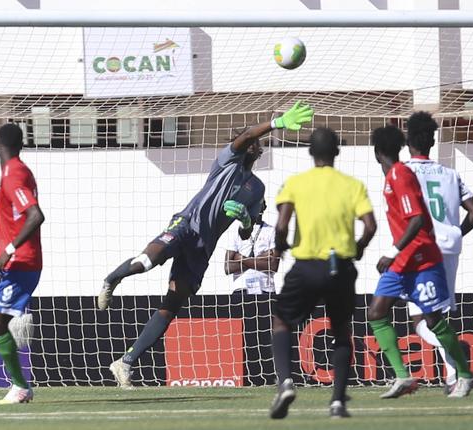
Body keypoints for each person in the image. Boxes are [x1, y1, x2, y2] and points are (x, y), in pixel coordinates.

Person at [98, 102, 314, 388]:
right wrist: (277, 123)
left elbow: (247, 233)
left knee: (172, 303)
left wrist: (246, 222)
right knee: (147, 262)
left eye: (256, 143)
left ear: (260, 151)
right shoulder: (226, 160)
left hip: (203, 247)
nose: (252, 144)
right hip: (186, 225)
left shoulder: (257, 188)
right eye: (249, 140)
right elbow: (247, 135)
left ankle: (125, 363)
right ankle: (112, 279)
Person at [269, 128, 377, 419]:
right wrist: (358, 248)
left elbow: (281, 225)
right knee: (341, 330)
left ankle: (286, 383)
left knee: (282, 320)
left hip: (307, 266)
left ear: (310, 153)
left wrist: (281, 247)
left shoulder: (296, 183)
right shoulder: (352, 185)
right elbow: (370, 225)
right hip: (340, 265)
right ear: (337, 152)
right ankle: (338, 402)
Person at [368, 125, 473, 399]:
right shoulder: (400, 174)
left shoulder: (400, 175)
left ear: (377, 153)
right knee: (377, 312)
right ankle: (403, 377)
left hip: (421, 258)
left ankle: (462, 373)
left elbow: (416, 218)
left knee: (433, 319)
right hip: (406, 260)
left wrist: (392, 252)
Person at [404, 111, 473, 392]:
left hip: (421, 249)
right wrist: (455, 233)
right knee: (437, 315)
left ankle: (454, 349)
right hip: (449, 247)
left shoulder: (404, 173)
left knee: (420, 320)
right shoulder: (451, 174)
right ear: (433, 140)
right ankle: (454, 377)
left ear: (407, 139)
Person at [0, 123, 46, 404]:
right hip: (4, 259)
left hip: (20, 263)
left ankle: (20, 386)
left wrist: (9, 248)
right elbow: (17, 217)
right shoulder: (14, 172)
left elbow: (35, 215)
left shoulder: (13, 174)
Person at [224, 200, 280, 294]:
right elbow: (228, 268)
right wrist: (262, 257)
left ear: (264, 207)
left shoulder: (272, 231)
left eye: (259, 204)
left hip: (266, 290)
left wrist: (241, 258)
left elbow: (273, 266)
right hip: (241, 289)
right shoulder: (236, 231)